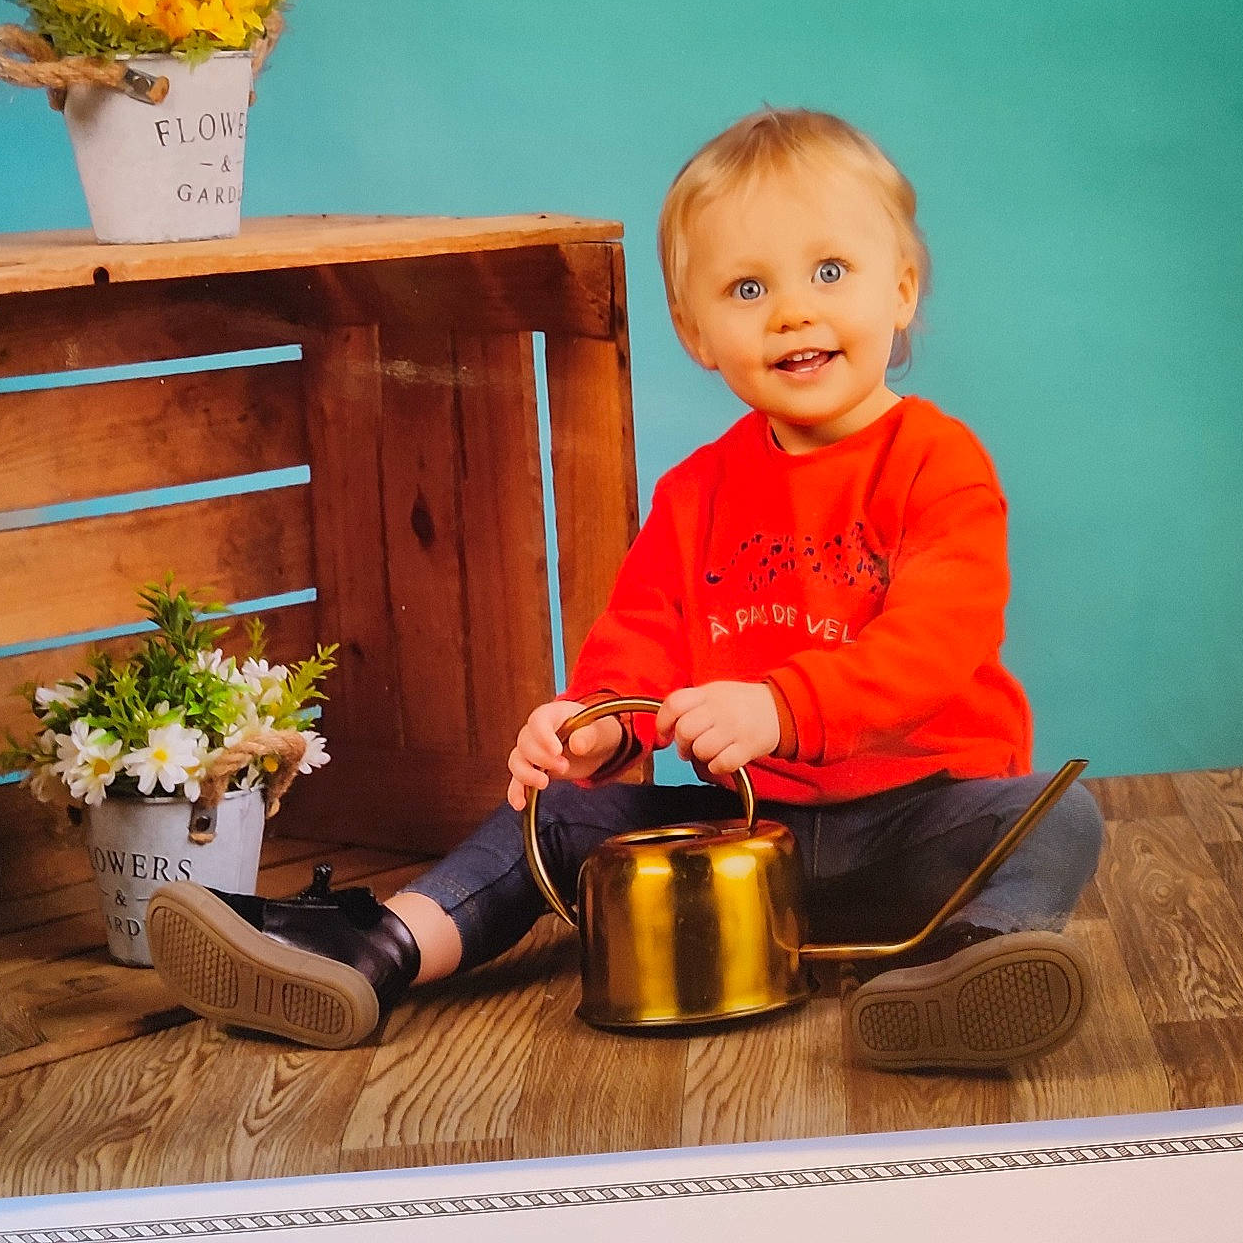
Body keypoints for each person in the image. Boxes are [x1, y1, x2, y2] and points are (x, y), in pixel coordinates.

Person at [147, 107, 1104, 1071]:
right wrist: (597, 723)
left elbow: (939, 642)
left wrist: (784, 705)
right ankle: (374, 950)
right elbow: (641, 639)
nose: (793, 312)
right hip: (748, 837)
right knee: (559, 818)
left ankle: (972, 967)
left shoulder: (937, 462)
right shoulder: (697, 492)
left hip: (919, 826)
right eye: (747, 287)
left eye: (829, 273)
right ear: (694, 332)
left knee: (1056, 813)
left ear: (900, 289)